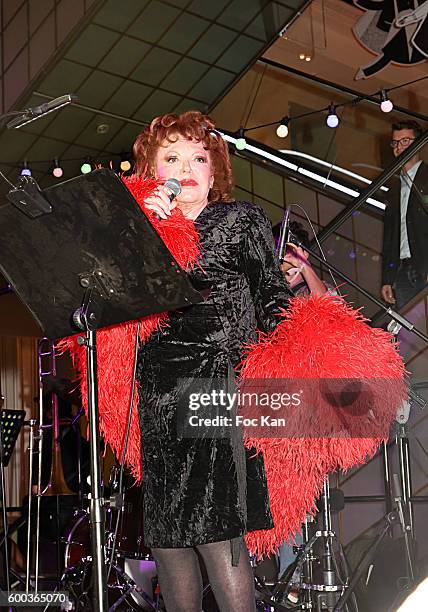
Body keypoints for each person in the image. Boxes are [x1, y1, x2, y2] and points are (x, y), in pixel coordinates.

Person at [130, 111, 293, 612]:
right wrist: (153, 228)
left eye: (199, 156)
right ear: (152, 171)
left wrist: (300, 344)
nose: (187, 167)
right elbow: (124, 304)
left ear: (214, 167)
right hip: (158, 386)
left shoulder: (240, 219)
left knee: (216, 526)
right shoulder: (142, 227)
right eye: (172, 157)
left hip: (217, 382)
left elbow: (272, 298)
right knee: (170, 534)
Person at [381, 120, 428, 310]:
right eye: (396, 142)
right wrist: (387, 278)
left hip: (424, 264)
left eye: (406, 141)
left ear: (420, 143)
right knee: (409, 334)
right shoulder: (393, 187)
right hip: (402, 270)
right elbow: (390, 236)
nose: (399, 147)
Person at [280, 221, 335, 298]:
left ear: (304, 254)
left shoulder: (307, 289)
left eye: (287, 249)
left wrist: (303, 265)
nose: (279, 253)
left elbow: (326, 301)